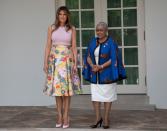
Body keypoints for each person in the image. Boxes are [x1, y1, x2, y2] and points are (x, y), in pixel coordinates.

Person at [43, 6, 82, 129]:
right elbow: (48, 46)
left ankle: (66, 116)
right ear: (57, 16)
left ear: (67, 16)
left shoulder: (72, 29)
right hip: (54, 61)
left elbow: (74, 46)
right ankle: (59, 115)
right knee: (57, 91)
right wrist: (45, 62)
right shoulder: (51, 28)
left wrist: (76, 63)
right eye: (60, 14)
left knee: (66, 92)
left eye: (64, 14)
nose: (62, 16)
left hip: (67, 61)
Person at [82, 22, 126, 129]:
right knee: (95, 97)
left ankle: (106, 119)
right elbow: (88, 55)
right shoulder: (93, 41)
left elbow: (114, 58)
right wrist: (93, 65)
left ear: (106, 30)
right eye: (97, 30)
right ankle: (98, 118)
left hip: (107, 74)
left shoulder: (111, 42)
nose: (99, 32)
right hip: (95, 73)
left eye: (101, 30)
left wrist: (101, 66)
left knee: (107, 97)